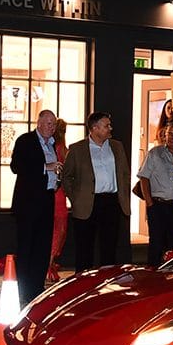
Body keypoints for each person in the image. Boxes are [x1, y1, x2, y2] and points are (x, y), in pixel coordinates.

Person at [61, 112, 131, 272]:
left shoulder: (117, 146)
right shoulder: (77, 149)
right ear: (94, 128)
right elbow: (67, 177)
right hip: (87, 204)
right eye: (106, 126)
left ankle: (107, 283)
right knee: (84, 249)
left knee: (109, 248)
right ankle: (82, 285)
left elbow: (125, 173)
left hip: (112, 202)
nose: (110, 128)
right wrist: (76, 199)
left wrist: (123, 194)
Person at [10, 110, 59, 305]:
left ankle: (37, 287)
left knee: (42, 247)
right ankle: (24, 289)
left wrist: (57, 177)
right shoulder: (26, 140)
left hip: (47, 200)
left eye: (54, 125)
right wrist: (46, 167)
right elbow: (16, 166)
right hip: (28, 203)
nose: (51, 128)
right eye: (48, 124)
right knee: (27, 247)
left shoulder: (53, 144)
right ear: (38, 123)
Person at [138, 122, 173, 266]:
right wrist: (149, 203)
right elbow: (143, 177)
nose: (171, 137)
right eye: (169, 133)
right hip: (157, 205)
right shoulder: (155, 153)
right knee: (156, 244)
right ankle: (152, 274)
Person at [47, 118, 70, 284]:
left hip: (53, 193)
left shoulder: (52, 148)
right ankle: (50, 262)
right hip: (59, 194)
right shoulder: (61, 149)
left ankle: (48, 262)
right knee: (59, 229)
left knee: (52, 229)